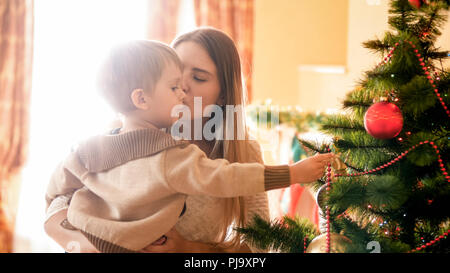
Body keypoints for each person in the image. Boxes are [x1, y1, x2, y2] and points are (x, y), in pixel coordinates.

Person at [44, 28, 332, 253]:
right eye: (176, 72)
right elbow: (58, 198)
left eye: (199, 77)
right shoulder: (119, 135)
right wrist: (84, 244)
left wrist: (188, 249)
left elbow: (255, 250)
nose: (182, 85)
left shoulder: (241, 152)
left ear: (222, 93)